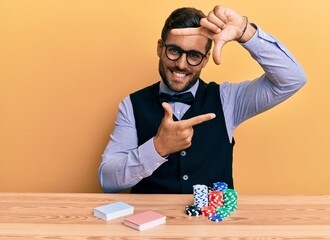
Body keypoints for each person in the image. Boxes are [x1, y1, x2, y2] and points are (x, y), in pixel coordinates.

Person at [98, 5, 306, 193]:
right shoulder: (131, 105)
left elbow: (292, 79)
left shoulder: (229, 100)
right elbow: (107, 180)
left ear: (205, 59)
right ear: (160, 48)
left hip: (213, 228)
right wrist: (157, 148)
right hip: (152, 226)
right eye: (174, 51)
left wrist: (245, 31)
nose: (181, 64)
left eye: (194, 55)